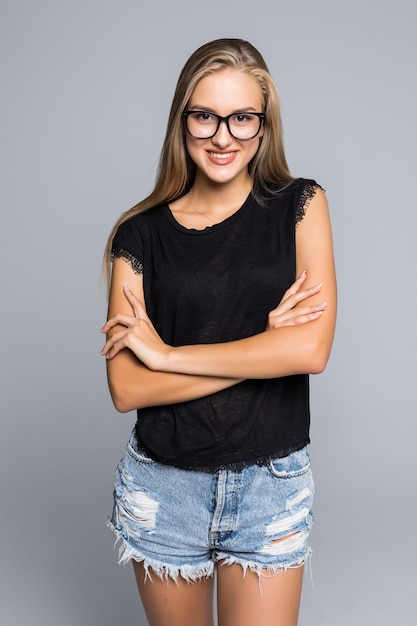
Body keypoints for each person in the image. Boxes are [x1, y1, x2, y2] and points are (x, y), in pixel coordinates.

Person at [100, 38, 336, 626]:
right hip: (164, 487)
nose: (222, 135)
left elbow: (309, 349)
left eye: (241, 118)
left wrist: (167, 355)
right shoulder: (139, 234)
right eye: (204, 115)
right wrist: (263, 346)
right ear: (182, 120)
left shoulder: (302, 207)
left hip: (270, 487)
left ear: (264, 126)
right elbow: (128, 388)